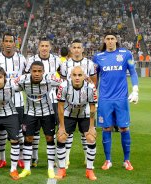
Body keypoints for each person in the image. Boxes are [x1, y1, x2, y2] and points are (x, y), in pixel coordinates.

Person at [93, 30, 139, 171]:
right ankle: (108, 160)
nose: (110, 40)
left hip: (121, 99)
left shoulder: (126, 54)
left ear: (116, 40)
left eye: (113, 38)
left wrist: (135, 90)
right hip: (105, 99)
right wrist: (93, 95)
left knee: (124, 128)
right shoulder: (97, 57)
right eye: (108, 38)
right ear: (104, 41)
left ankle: (127, 160)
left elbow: (133, 72)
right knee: (106, 128)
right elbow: (95, 78)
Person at [15, 61, 62, 179]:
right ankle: (27, 168)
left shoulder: (50, 79)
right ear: (30, 71)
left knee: (49, 138)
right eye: (34, 71)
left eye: (39, 71)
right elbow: (11, 86)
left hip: (48, 112)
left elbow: (65, 83)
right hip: (30, 113)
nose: (36, 74)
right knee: (28, 138)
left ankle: (51, 168)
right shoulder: (23, 79)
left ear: (43, 72)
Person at [0, 32, 26, 169]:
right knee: (1, 132)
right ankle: (2, 159)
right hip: (0, 103)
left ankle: (21, 158)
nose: (9, 44)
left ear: (15, 43)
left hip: (17, 102)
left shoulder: (22, 59)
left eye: (11, 41)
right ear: (2, 43)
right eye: (6, 41)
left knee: (19, 131)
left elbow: (25, 78)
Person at [55, 66, 98, 181]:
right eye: (74, 75)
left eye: (80, 75)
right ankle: (62, 169)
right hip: (69, 114)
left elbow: (93, 108)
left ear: (84, 76)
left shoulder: (90, 87)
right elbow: (60, 107)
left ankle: (89, 170)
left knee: (91, 138)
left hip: (85, 114)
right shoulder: (63, 86)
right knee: (61, 137)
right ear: (70, 76)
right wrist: (62, 127)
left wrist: (92, 127)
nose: (77, 77)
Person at [59, 39, 97, 168]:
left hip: (85, 103)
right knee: (66, 135)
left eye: (78, 47)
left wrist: (91, 93)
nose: (76, 49)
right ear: (71, 49)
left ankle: (87, 159)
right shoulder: (65, 64)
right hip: (70, 104)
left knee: (85, 133)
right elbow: (63, 82)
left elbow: (94, 81)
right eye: (74, 47)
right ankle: (67, 158)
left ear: (82, 49)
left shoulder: (89, 63)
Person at [24, 37, 61, 167]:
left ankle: (54, 158)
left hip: (52, 100)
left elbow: (62, 78)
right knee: (33, 131)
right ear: (38, 47)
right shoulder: (31, 60)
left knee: (51, 132)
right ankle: (34, 157)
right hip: (33, 101)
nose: (44, 48)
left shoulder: (56, 60)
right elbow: (26, 78)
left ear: (50, 47)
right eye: (42, 46)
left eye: (47, 45)